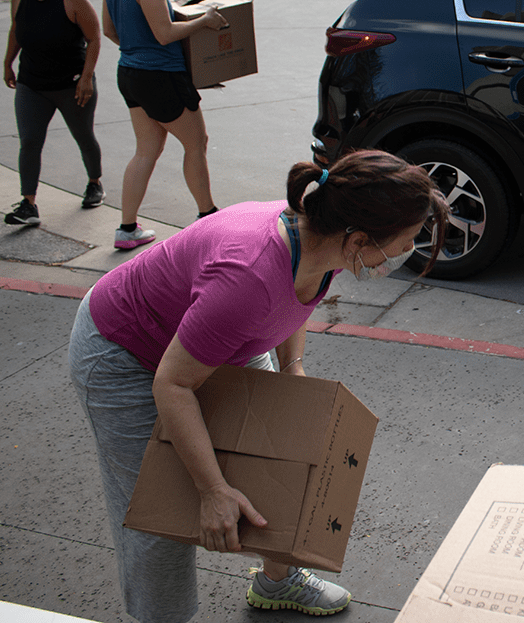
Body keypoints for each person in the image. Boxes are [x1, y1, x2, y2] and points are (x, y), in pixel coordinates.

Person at [68, 149, 449, 622]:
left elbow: (296, 297)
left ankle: (278, 581)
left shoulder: (322, 238)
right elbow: (173, 384)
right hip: (126, 353)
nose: (404, 254)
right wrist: (211, 490)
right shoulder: (247, 275)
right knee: (158, 511)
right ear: (360, 240)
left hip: (218, 340)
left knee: (285, 454)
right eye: (405, 242)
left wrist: (294, 368)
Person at [102, 0, 225, 250]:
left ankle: (127, 228)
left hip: (130, 74)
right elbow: (164, 33)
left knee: (147, 149)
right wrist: (205, 21)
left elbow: (109, 30)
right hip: (160, 77)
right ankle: (208, 217)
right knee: (196, 143)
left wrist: (137, 51)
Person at [2, 0, 104, 226]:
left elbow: (94, 38)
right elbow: (16, 30)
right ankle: (28, 204)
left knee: (83, 136)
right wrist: (8, 62)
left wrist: (86, 78)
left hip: (71, 84)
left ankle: (94, 182)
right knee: (30, 141)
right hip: (31, 84)